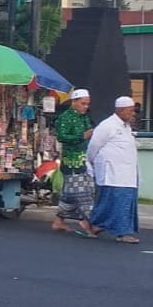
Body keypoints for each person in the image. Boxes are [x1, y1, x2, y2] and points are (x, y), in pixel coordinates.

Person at [87, 96, 141, 244]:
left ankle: (95, 225)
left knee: (118, 203)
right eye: (130, 111)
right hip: (112, 173)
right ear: (121, 110)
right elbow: (93, 147)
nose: (133, 114)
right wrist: (92, 163)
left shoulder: (126, 127)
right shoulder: (107, 126)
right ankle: (123, 233)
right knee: (114, 203)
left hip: (127, 174)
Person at [51, 89, 97, 238]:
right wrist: (82, 136)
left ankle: (58, 221)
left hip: (85, 158)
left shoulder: (85, 118)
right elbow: (62, 137)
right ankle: (90, 225)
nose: (86, 107)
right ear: (74, 102)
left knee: (69, 195)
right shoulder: (65, 117)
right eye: (83, 103)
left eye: (88, 104)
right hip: (72, 161)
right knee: (85, 193)